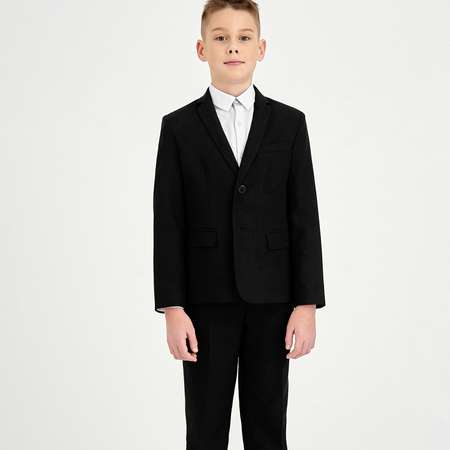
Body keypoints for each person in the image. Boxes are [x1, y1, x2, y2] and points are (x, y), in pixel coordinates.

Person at [153, 1, 326, 448]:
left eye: (244, 38)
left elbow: (304, 217)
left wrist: (306, 304)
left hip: (273, 301)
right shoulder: (178, 128)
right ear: (201, 49)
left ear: (260, 48)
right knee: (205, 428)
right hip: (204, 303)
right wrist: (173, 308)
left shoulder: (289, 124)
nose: (233, 47)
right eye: (221, 38)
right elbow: (168, 223)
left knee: (268, 427)